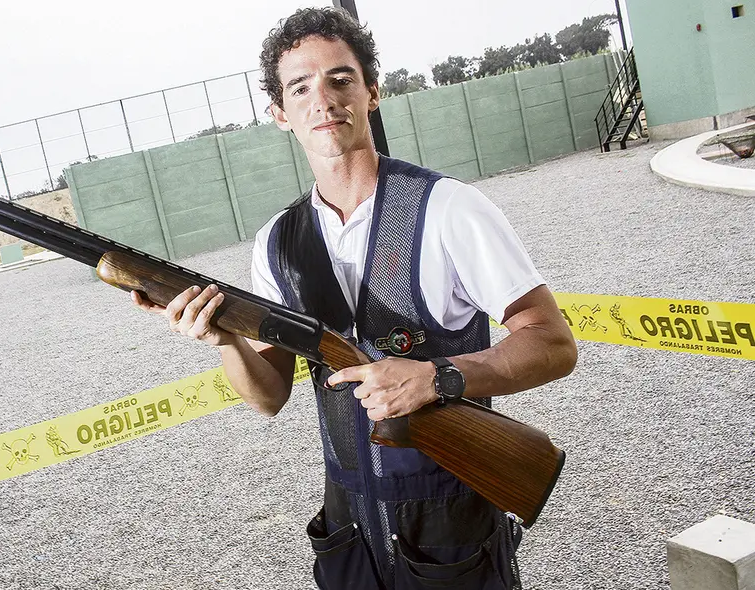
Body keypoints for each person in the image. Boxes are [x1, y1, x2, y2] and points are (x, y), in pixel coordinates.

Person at [132, 7, 578, 589]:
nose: (323, 99)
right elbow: (268, 397)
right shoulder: (278, 243)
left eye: (341, 79)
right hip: (348, 528)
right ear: (279, 113)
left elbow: (553, 343)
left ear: (372, 91)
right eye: (300, 87)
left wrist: (437, 377)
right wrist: (227, 340)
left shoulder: (448, 208)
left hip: (450, 522)